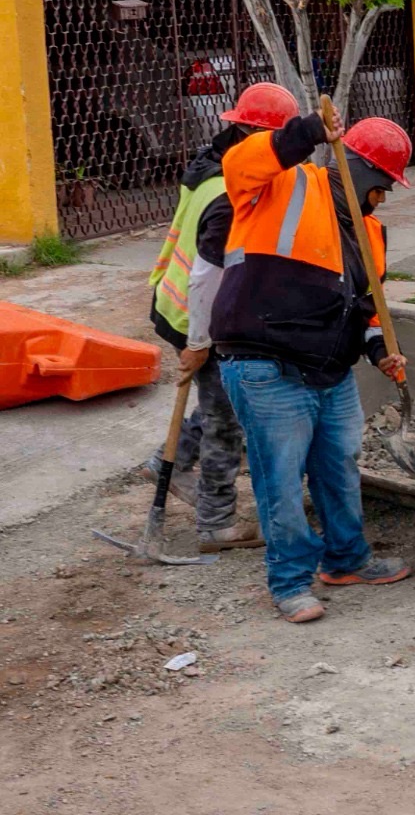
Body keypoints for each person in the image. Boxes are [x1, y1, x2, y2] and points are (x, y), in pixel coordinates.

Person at [211, 103, 415, 623]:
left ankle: (347, 560)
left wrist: (378, 350)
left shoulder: (371, 234)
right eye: (382, 186)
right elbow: (241, 162)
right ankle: (290, 583)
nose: (382, 198)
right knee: (279, 479)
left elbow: (367, 309)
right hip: (266, 366)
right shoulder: (283, 185)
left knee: (339, 467)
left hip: (331, 370)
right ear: (361, 170)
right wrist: (305, 132)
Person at [141, 82, 300, 550]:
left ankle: (168, 460)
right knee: (225, 421)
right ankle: (216, 523)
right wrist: (199, 343)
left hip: (172, 299)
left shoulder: (208, 164)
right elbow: (207, 277)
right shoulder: (230, 194)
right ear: (257, 138)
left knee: (217, 400)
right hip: (198, 314)